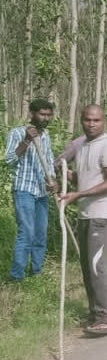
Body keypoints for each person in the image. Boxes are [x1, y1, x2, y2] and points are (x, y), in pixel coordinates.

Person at [59, 105, 107, 335]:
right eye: (87, 120)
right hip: (86, 214)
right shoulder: (83, 146)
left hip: (102, 215)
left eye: (96, 120)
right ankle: (96, 313)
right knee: (88, 268)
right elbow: (88, 177)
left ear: (104, 121)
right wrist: (71, 180)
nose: (91, 124)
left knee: (99, 266)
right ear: (81, 121)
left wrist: (79, 195)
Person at [4, 98, 57, 282]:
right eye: (42, 114)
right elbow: (9, 160)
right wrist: (26, 140)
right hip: (24, 190)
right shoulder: (17, 133)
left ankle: (36, 273)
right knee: (26, 232)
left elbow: (48, 162)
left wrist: (53, 181)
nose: (46, 118)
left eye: (48, 115)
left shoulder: (46, 135)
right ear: (32, 114)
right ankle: (16, 277)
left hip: (41, 191)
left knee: (40, 234)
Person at [57, 135, 107, 205]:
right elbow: (59, 163)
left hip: (104, 201)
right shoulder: (78, 143)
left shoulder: (77, 143)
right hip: (91, 201)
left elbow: (58, 163)